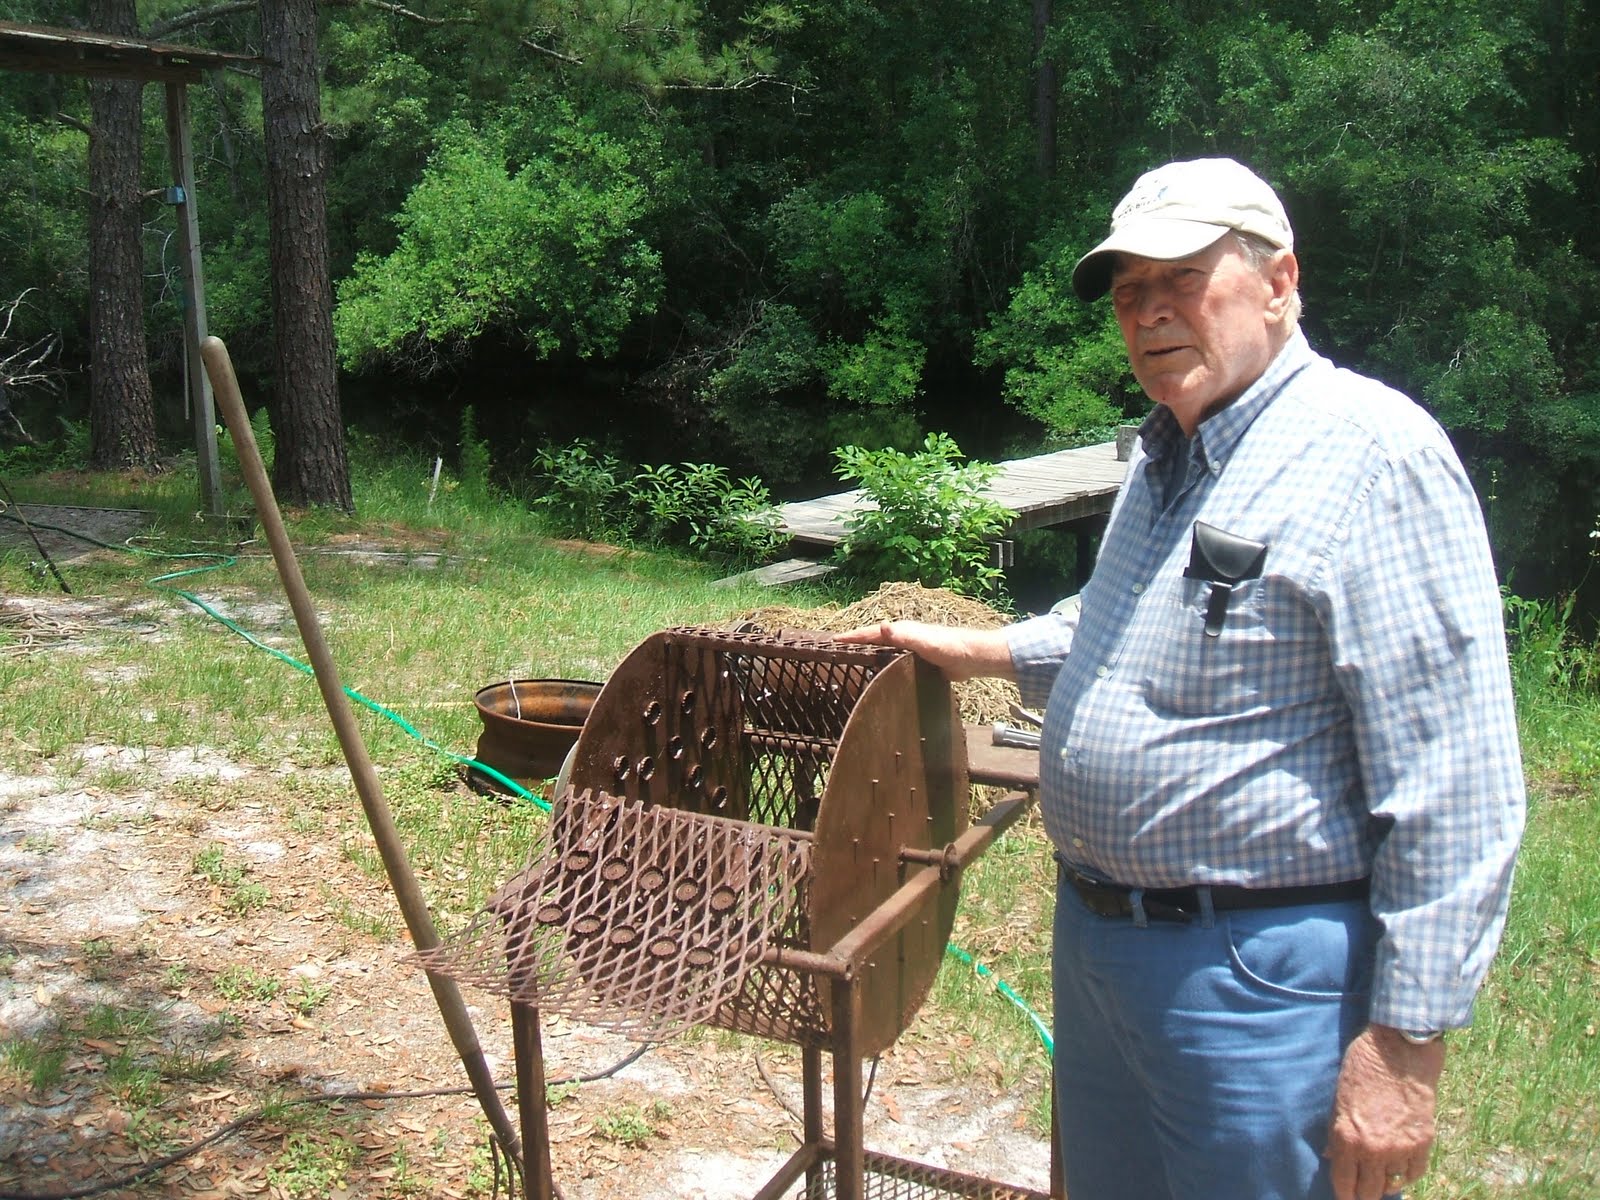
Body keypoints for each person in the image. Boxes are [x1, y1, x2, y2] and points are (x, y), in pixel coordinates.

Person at [840, 158, 1525, 1200]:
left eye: (1182, 279)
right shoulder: (1166, 452)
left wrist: (1404, 1053)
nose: (1150, 314)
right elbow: (1122, 626)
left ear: (1279, 281)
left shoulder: (1372, 456)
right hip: (1102, 949)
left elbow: (1456, 780)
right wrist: (977, 648)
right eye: (1128, 293)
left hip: (1254, 979)